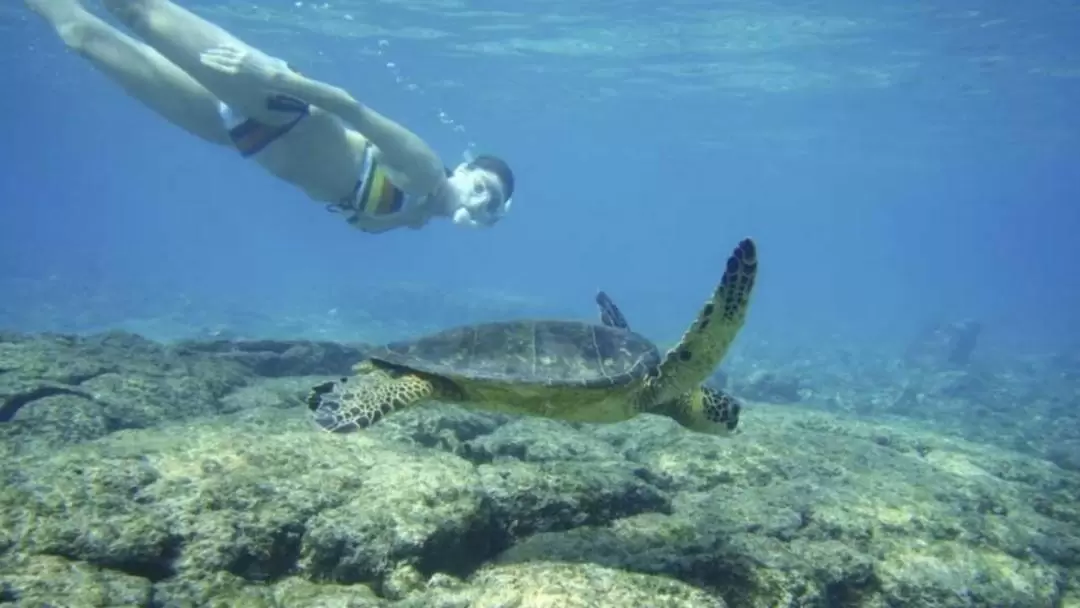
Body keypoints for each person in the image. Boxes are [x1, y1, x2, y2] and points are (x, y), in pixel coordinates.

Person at [24, 0, 516, 233]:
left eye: (489, 202)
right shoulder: (426, 168)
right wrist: (271, 75)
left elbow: (369, 221)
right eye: (482, 186)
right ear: (466, 167)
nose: (478, 199)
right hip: (276, 105)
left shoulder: (414, 217)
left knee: (80, 38)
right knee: (139, 13)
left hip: (236, 133)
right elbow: (350, 107)